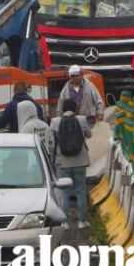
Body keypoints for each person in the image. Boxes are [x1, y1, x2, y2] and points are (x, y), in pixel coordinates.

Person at [51, 97, 92, 228]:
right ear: (75, 109)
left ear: (62, 110)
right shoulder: (81, 120)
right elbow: (89, 135)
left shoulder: (55, 122)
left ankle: (65, 222)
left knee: (65, 193)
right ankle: (81, 222)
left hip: (63, 163)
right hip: (80, 161)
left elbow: (52, 139)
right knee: (80, 190)